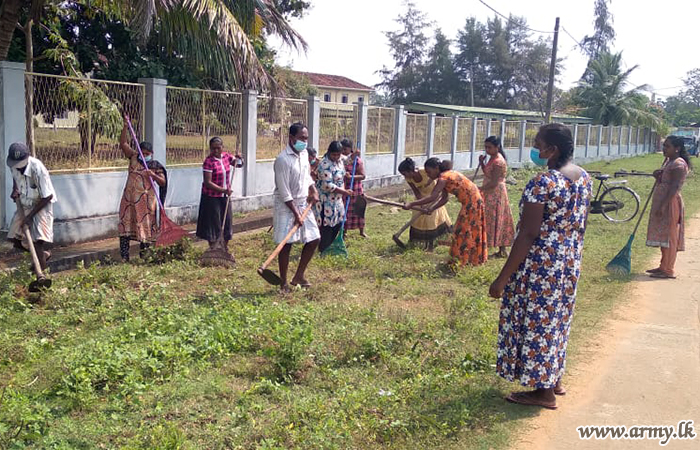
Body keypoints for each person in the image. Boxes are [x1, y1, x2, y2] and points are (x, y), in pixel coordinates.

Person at [489, 123, 592, 410]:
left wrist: (502, 279)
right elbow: (581, 222)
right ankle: (554, 379)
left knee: (538, 324)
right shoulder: (583, 177)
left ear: (552, 149)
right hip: (568, 262)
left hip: (540, 266)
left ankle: (543, 393)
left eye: (538, 143)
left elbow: (528, 234)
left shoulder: (543, 183)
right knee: (557, 320)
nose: (535, 148)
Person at [404, 158, 487, 267]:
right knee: (468, 230)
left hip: (472, 203)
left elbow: (433, 197)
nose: (428, 175)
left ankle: (462, 261)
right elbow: (444, 199)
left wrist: (412, 204)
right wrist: (432, 208)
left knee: (462, 232)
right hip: (474, 201)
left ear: (436, 168)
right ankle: (468, 259)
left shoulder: (443, 178)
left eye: (429, 172)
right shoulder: (446, 176)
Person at [273, 122, 320, 291]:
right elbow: (284, 191)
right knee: (286, 243)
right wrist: (296, 214)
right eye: (301, 138)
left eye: (306, 139)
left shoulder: (304, 154)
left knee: (314, 238)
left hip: (302, 202)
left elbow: (307, 177)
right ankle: (283, 282)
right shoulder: (282, 160)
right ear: (291, 138)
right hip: (286, 205)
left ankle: (299, 275)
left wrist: (313, 190)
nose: (304, 142)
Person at [118, 117, 167, 261]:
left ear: (152, 153)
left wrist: (153, 175)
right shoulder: (133, 157)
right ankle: (124, 257)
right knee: (126, 226)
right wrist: (125, 127)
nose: (144, 156)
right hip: (129, 201)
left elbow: (163, 182)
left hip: (145, 204)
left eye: (147, 154)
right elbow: (123, 144)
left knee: (145, 227)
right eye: (142, 153)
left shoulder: (155, 165)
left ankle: (144, 256)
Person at [6, 142, 56, 274]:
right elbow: (15, 177)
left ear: (27, 158)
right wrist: (15, 189)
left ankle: (42, 275)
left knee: (37, 241)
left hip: (42, 204)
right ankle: (42, 256)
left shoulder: (37, 169)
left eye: (21, 165)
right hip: (25, 202)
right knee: (14, 238)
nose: (19, 168)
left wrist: (29, 217)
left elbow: (48, 196)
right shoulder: (13, 165)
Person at [645, 135, 691, 279]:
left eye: (667, 146)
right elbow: (666, 180)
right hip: (662, 201)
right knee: (663, 235)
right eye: (664, 145)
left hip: (670, 203)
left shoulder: (678, 164)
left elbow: (674, 187)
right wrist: (658, 175)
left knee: (670, 236)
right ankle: (662, 266)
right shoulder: (669, 161)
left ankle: (668, 270)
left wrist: (663, 206)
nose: (664, 148)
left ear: (677, 149)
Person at [196, 137, 243, 250]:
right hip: (211, 198)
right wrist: (223, 190)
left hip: (225, 197)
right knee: (214, 223)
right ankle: (214, 248)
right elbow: (208, 182)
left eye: (218, 148)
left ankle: (224, 247)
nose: (216, 151)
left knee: (226, 221)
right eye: (213, 148)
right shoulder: (208, 162)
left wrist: (240, 158)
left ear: (222, 147)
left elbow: (238, 165)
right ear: (210, 148)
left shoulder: (226, 157)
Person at [398, 157, 452, 249]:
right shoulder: (409, 179)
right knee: (418, 220)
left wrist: (431, 202)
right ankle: (419, 243)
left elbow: (438, 185)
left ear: (411, 171)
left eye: (405, 173)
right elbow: (416, 191)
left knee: (432, 219)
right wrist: (421, 204)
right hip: (421, 199)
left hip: (434, 196)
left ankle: (433, 243)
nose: (405, 176)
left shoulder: (425, 171)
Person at [479, 136, 515, 258]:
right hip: (489, 190)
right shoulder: (492, 158)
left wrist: (480, 189)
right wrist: (481, 163)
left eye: (489, 147)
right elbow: (487, 173)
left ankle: (501, 248)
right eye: (485, 147)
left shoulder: (499, 161)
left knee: (497, 217)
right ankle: (493, 247)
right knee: (489, 217)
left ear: (497, 147)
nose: (487, 150)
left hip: (495, 192)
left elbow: (494, 182)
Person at [315, 141, 353, 253]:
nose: (336, 157)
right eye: (333, 155)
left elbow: (348, 159)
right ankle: (323, 249)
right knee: (327, 227)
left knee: (337, 224)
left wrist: (354, 155)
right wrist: (344, 191)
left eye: (338, 155)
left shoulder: (340, 160)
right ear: (329, 152)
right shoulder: (324, 164)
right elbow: (328, 185)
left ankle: (333, 246)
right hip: (326, 201)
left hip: (337, 201)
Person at [341, 139, 367, 238]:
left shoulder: (357, 161)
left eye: (345, 149)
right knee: (345, 211)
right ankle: (344, 231)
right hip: (345, 189)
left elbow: (363, 176)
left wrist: (351, 177)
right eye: (342, 149)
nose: (343, 151)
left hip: (356, 189)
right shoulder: (341, 160)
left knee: (358, 209)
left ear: (350, 149)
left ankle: (361, 231)